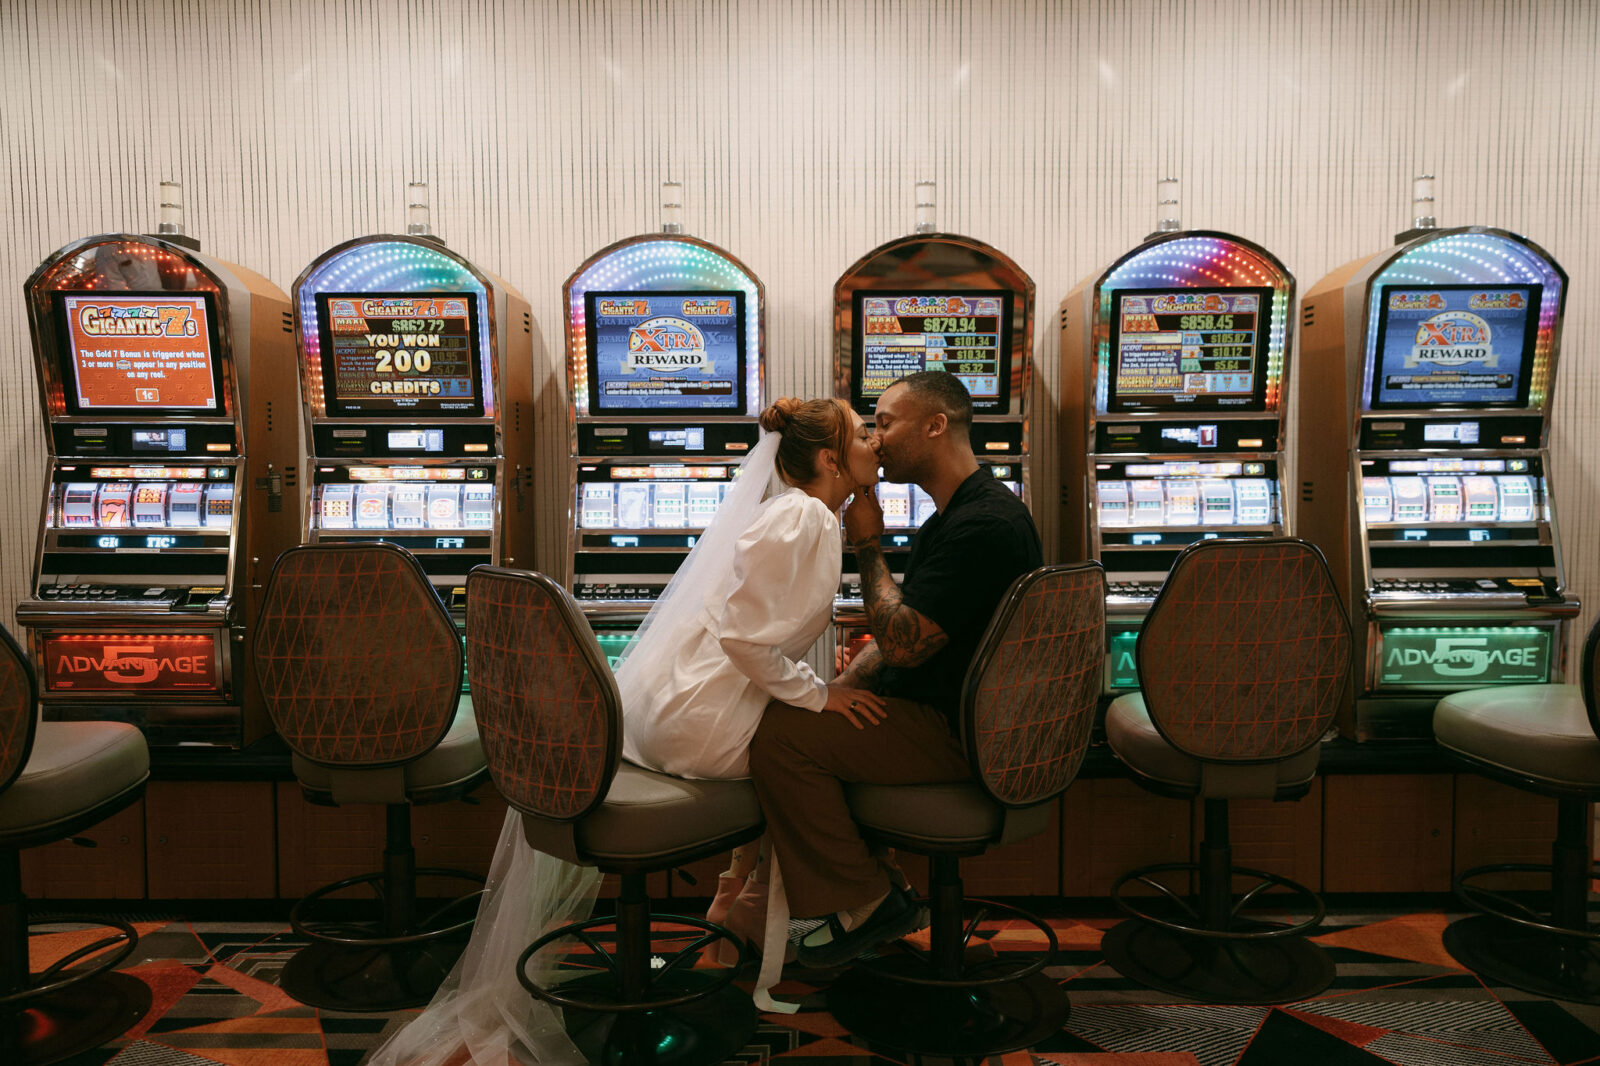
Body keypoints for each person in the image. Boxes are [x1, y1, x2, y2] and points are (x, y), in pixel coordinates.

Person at [363, 396, 882, 1066]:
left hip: (667, 711)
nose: (875, 440)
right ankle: (821, 911)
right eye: (863, 431)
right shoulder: (806, 516)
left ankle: (743, 909)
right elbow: (745, 641)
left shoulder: (789, 512)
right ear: (829, 458)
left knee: (801, 746)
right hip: (702, 724)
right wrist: (821, 694)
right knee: (816, 755)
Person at [748, 370, 1043, 969]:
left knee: (779, 737)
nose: (876, 440)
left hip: (964, 731)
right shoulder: (962, 513)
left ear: (935, 426)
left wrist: (868, 544)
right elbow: (921, 626)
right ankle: (875, 886)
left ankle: (869, 903)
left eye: (883, 423)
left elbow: (906, 643)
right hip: (957, 709)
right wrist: (847, 682)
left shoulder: (982, 526)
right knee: (814, 706)